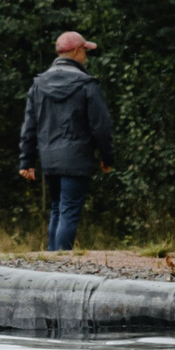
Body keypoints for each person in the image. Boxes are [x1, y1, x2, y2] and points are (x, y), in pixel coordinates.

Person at [18, 31, 114, 252]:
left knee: (56, 208)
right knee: (69, 209)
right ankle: (61, 261)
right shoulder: (87, 84)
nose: (86, 57)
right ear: (78, 51)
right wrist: (107, 157)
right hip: (76, 157)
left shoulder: (38, 85)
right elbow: (101, 126)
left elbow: (29, 125)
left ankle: (52, 260)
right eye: (85, 52)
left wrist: (27, 161)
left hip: (49, 158)